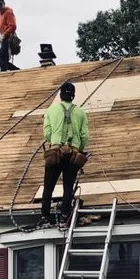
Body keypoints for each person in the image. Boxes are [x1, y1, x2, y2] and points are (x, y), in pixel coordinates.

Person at [41, 82, 90, 227]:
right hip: (72, 153)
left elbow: (47, 133)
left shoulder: (51, 110)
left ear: (61, 94)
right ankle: (64, 216)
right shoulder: (80, 112)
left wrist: (55, 142)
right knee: (68, 186)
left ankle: (45, 217)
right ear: (73, 96)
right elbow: (85, 136)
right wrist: (78, 148)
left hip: (55, 152)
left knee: (48, 186)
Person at [0, 0, 19, 72]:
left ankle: (3, 74)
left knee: (0, 58)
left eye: (0, 4)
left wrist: (4, 35)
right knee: (4, 61)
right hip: (4, 40)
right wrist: (2, 37)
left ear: (4, 4)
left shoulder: (8, 12)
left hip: (8, 38)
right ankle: (17, 71)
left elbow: (13, 26)